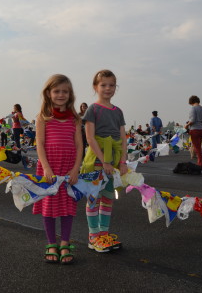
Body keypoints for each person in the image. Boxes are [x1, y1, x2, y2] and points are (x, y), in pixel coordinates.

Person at [32, 74, 82, 264]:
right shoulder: (43, 117)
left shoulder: (75, 119)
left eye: (65, 91)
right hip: (50, 167)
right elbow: (40, 144)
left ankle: (65, 243)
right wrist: (46, 168)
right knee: (49, 206)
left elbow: (79, 146)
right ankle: (51, 243)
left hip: (69, 167)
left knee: (68, 207)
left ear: (70, 94)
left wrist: (76, 169)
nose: (61, 95)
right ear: (49, 93)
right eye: (57, 91)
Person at [82, 69, 128, 252]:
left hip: (114, 160)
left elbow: (123, 139)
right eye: (103, 85)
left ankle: (104, 235)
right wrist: (105, 161)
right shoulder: (93, 109)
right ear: (95, 87)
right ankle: (93, 237)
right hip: (97, 160)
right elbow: (90, 138)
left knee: (108, 198)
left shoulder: (118, 111)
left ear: (115, 88)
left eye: (111, 85)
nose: (107, 88)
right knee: (94, 198)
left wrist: (122, 162)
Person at [185, 95, 202, 171]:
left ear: (191, 102)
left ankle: (201, 164)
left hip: (195, 130)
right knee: (198, 147)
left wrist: (187, 125)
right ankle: (199, 163)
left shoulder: (193, 108)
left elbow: (192, 120)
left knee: (197, 148)